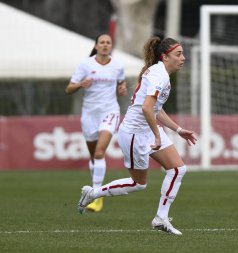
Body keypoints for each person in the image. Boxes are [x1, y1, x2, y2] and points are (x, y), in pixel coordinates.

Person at [77, 36, 197, 235]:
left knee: (178, 169)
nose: (183, 58)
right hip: (134, 134)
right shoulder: (160, 75)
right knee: (138, 184)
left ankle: (161, 218)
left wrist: (177, 130)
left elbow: (156, 109)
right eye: (179, 54)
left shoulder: (161, 73)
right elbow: (147, 109)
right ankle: (93, 193)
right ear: (165, 57)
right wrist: (158, 136)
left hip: (146, 131)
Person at [66, 34, 127, 212]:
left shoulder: (117, 65)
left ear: (111, 46)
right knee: (94, 156)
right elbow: (68, 89)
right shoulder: (86, 64)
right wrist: (80, 85)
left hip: (110, 111)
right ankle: (94, 191)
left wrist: (121, 87)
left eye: (108, 42)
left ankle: (96, 197)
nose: (105, 45)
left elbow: (121, 82)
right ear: (96, 46)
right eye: (102, 42)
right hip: (89, 114)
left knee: (100, 152)